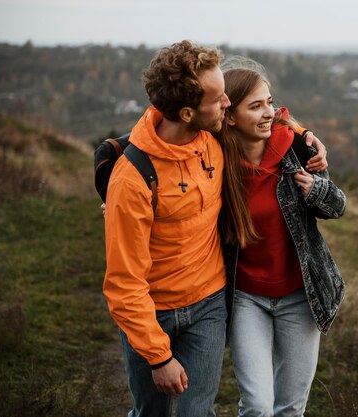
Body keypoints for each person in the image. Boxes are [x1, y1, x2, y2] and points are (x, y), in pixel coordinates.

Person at [102, 41, 327, 417]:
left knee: (198, 412)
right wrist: (159, 359)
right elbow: (123, 283)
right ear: (188, 112)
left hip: (209, 305)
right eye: (219, 98)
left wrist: (306, 135)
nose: (227, 104)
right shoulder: (134, 178)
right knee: (151, 413)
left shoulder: (214, 138)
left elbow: (267, 116)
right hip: (152, 311)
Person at [218, 61, 346, 417]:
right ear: (228, 115)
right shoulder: (214, 160)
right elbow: (159, 139)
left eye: (270, 103)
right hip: (246, 298)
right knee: (256, 407)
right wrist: (115, 193)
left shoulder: (297, 150)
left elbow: (338, 207)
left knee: (290, 408)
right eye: (256, 106)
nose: (268, 113)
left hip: (299, 297)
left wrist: (316, 189)